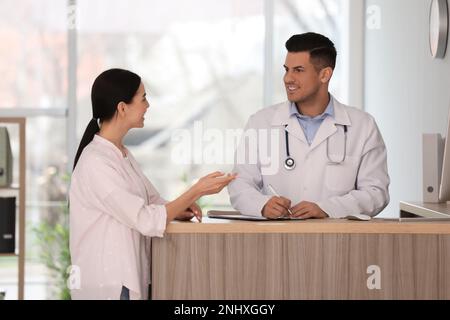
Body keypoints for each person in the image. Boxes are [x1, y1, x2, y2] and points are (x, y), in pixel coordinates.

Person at [69, 68, 236, 300]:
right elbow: (146, 219)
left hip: (125, 279)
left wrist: (179, 210)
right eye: (143, 98)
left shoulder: (122, 154)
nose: (148, 106)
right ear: (122, 107)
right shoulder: (96, 162)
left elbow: (152, 201)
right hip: (109, 284)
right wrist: (197, 189)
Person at [228, 32, 390, 220]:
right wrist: (262, 205)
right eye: (286, 69)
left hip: (338, 242)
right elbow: (239, 183)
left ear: (324, 74)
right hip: (275, 240)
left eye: (298, 70)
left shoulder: (362, 126)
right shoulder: (260, 123)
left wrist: (327, 208)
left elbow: (376, 192)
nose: (288, 78)